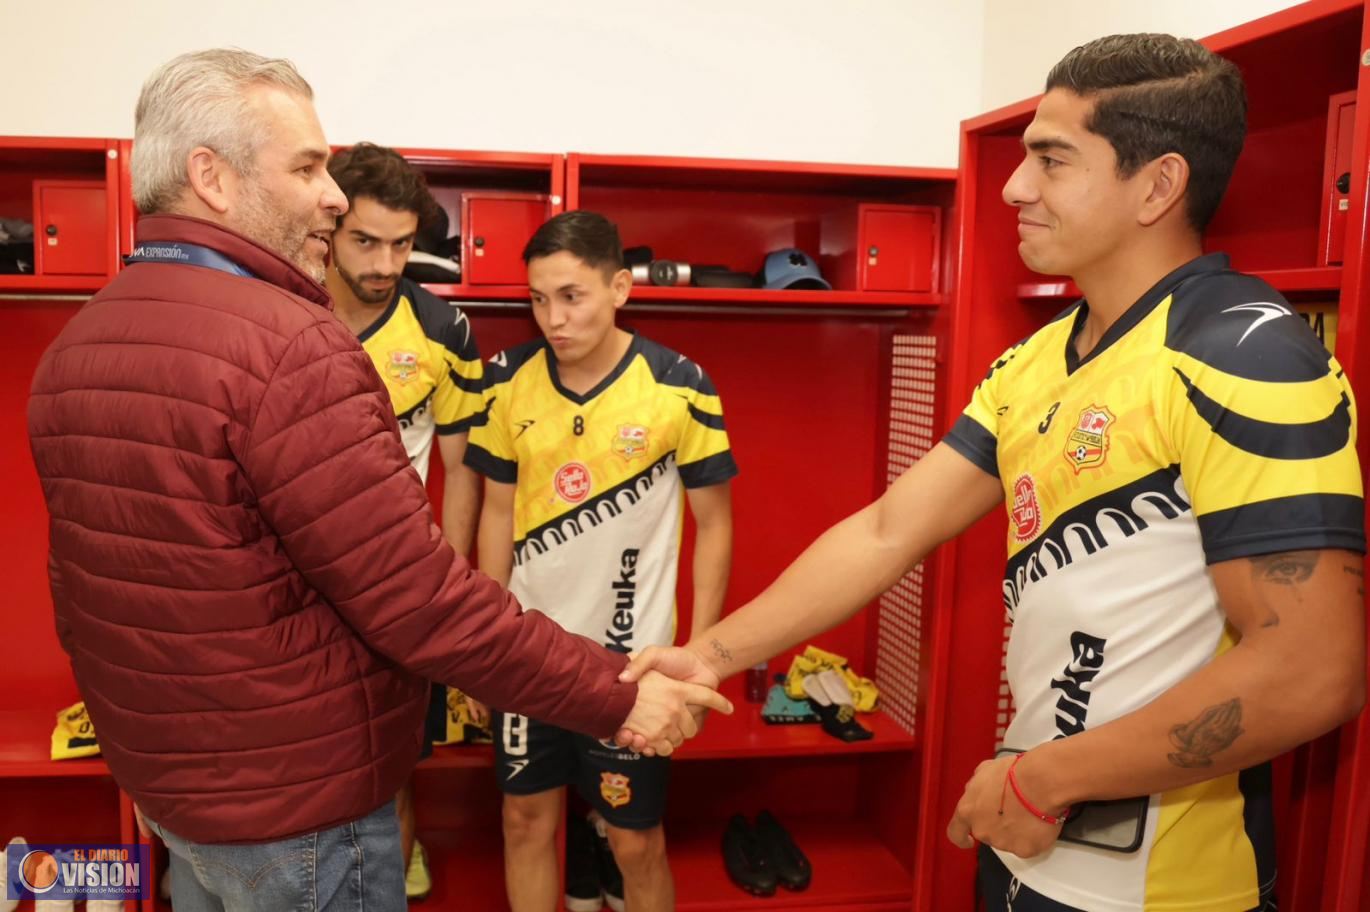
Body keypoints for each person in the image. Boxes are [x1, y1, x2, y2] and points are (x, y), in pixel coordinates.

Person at [619, 33, 1365, 912]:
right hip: (1026, 836)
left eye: (1052, 160)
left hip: (1161, 884)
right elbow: (888, 530)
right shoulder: (1042, 357)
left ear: (1158, 186)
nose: (1015, 187)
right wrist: (706, 655)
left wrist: (1041, 780)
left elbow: (1314, 669)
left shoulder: (1247, 355)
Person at [25, 48, 728, 912]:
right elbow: (419, 599)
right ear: (209, 176)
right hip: (298, 811)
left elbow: (78, 592)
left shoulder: (81, 342)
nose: (330, 192)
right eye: (308, 165)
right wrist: (612, 699)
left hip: (173, 797)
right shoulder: (290, 346)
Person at [464, 210, 737, 912]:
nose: (552, 317)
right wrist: (481, 649)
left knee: (635, 839)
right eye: (537, 298)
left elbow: (716, 526)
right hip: (527, 656)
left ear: (619, 287)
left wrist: (703, 654)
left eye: (571, 296)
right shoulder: (505, 382)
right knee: (524, 822)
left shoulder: (681, 384)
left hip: (632, 668)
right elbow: (495, 514)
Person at [324, 141, 483, 901]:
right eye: (365, 241)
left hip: (394, 590)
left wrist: (440, 594)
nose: (386, 262)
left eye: (402, 243)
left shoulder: (443, 331)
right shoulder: (280, 312)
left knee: (394, 767)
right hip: (291, 590)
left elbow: (463, 476)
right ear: (329, 225)